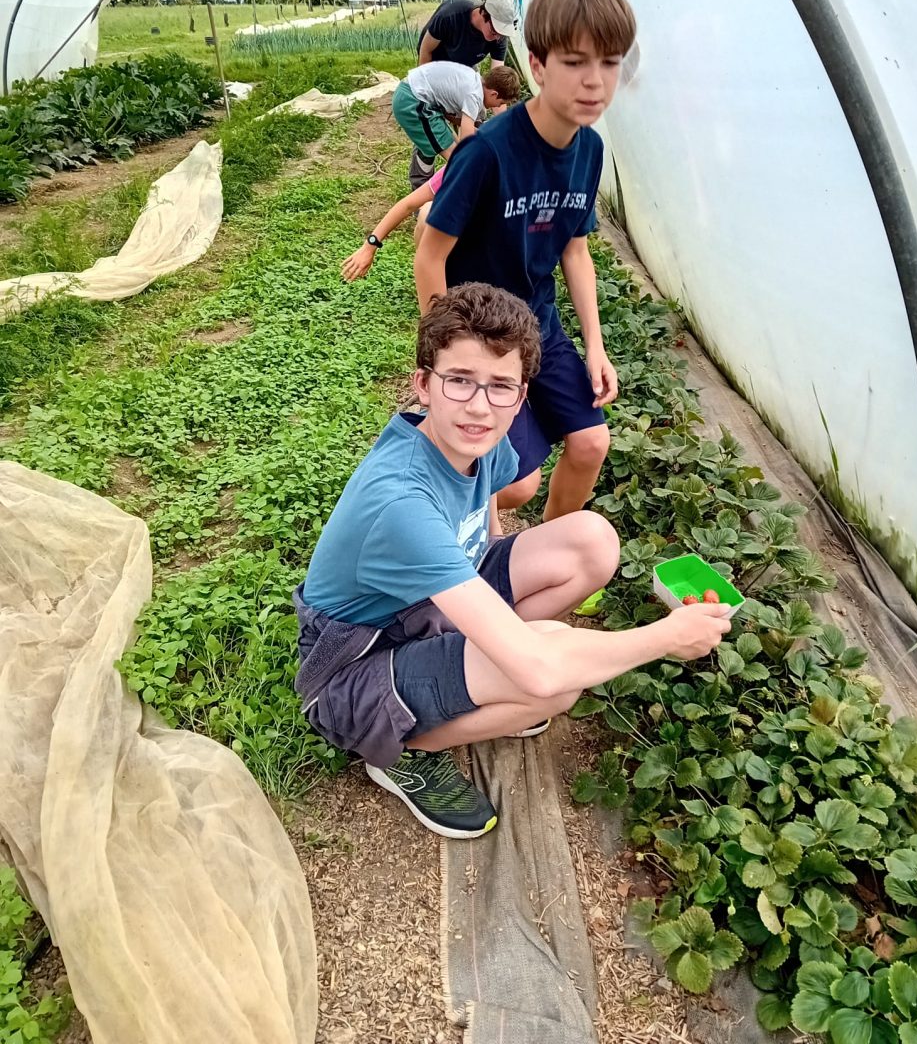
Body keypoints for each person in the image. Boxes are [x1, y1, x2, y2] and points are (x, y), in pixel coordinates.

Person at [293, 283, 731, 839]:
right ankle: (399, 751)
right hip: (352, 667)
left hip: (426, 609)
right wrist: (668, 637)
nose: (479, 405)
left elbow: (488, 507)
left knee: (591, 541)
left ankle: (478, 670)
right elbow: (543, 669)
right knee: (549, 685)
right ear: (423, 385)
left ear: (520, 396)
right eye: (459, 380)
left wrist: (493, 554)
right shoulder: (401, 502)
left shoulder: (475, 439)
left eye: (500, 386)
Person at [414, 0, 637, 522]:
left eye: (609, 64)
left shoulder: (590, 151)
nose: (594, 81)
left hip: (539, 323)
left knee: (590, 445)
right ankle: (458, 505)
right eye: (575, 62)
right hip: (481, 331)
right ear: (537, 66)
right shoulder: (488, 152)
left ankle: (545, 548)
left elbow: (575, 251)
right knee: (517, 483)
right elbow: (429, 255)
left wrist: (597, 345)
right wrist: (450, 355)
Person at [411, 0, 518, 188]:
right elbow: (426, 50)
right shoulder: (452, 14)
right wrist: (424, 92)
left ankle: (474, 172)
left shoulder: (499, 38)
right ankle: (422, 184)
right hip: (435, 67)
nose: (497, 38)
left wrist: (503, 131)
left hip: (466, 70)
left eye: (501, 34)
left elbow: (497, 88)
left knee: (477, 116)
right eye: (494, 32)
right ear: (483, 14)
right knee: (431, 126)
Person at [392, 62, 520, 191]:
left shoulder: (473, 80)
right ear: (494, 94)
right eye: (501, 103)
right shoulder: (474, 95)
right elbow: (467, 141)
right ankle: (429, 200)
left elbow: (462, 124)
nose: (498, 107)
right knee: (459, 160)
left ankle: (427, 195)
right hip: (413, 102)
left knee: (448, 145)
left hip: (416, 97)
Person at [341, 165, 445, 282]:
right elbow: (408, 205)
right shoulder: (459, 167)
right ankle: (429, 279)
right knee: (426, 213)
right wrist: (369, 246)